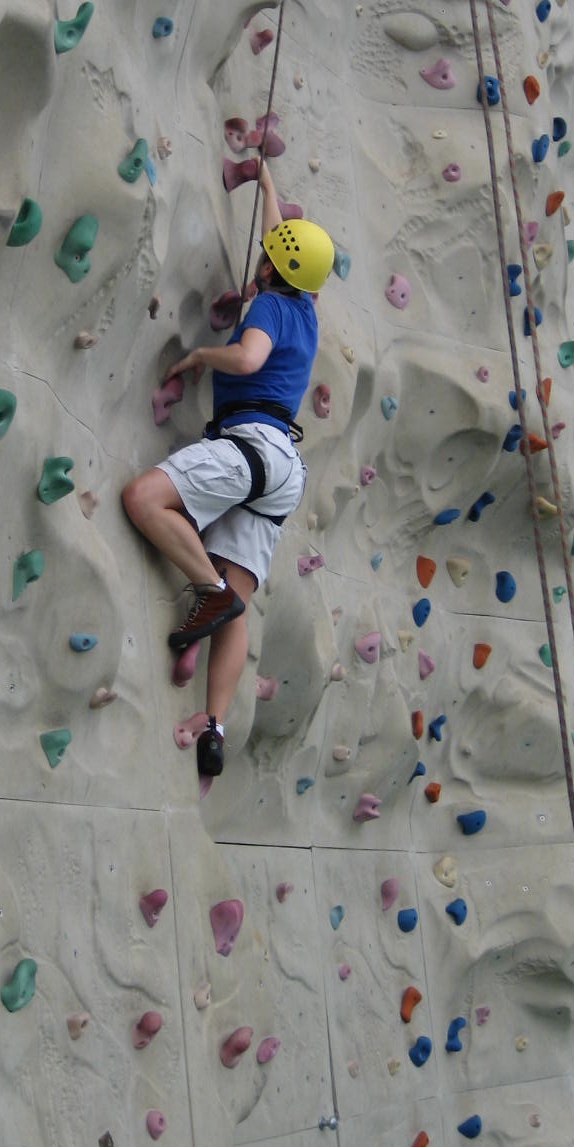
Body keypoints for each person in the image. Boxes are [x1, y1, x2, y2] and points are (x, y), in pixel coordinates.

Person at [121, 158, 334, 777]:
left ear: (269, 269)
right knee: (240, 598)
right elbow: (281, 249)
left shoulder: (267, 308)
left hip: (251, 445)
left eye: (267, 257)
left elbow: (247, 360)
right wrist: (265, 184)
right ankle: (213, 725)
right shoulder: (305, 310)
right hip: (284, 472)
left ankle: (208, 592)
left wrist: (200, 358)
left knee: (143, 500)